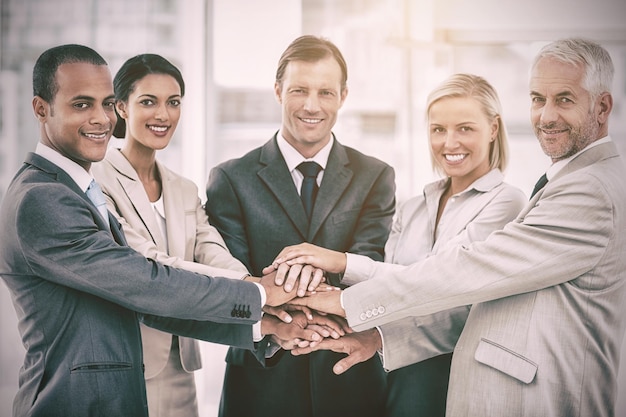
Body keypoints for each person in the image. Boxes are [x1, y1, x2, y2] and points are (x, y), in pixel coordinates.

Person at [272, 38, 626, 417]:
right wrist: (377, 335)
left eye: (565, 99)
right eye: (538, 99)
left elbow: (466, 273)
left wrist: (346, 291)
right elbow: (471, 300)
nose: (546, 115)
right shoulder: (566, 182)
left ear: (603, 106)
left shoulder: (588, 189)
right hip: (409, 370)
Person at [0, 44, 323, 417]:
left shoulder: (78, 187)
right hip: (75, 402)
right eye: (81, 104)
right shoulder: (43, 199)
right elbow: (146, 282)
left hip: (121, 394)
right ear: (41, 108)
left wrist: (263, 325)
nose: (102, 119)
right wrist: (257, 293)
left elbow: (143, 300)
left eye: (105, 103)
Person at [91, 53, 315, 417]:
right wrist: (258, 291)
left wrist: (252, 284)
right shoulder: (98, 179)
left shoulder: (183, 188)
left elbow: (210, 249)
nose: (163, 114)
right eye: (148, 101)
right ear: (121, 108)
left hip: (180, 368)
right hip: (125, 363)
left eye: (173, 102)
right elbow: (148, 262)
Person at [205, 35, 396, 417]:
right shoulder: (230, 178)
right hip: (260, 384)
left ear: (343, 96)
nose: (312, 106)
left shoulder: (375, 176)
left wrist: (293, 294)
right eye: (299, 90)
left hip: (351, 381)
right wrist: (282, 321)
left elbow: (367, 265)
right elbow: (235, 282)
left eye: (325, 92)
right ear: (278, 91)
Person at [374, 73, 524, 416]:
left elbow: (443, 284)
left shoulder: (507, 203)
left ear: (494, 129)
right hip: (390, 367)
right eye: (438, 129)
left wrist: (343, 263)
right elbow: (385, 287)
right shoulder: (412, 207)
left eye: (465, 128)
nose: (449, 142)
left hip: (452, 372)